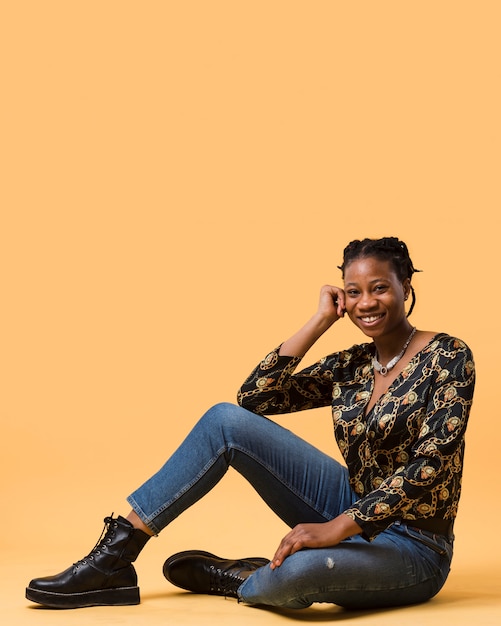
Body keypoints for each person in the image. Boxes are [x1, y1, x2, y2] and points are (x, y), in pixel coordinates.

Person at [26, 236, 475, 611]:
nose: (366, 303)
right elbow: (255, 398)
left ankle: (239, 577)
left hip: (415, 544)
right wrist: (319, 321)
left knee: (296, 577)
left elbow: (430, 465)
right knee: (225, 420)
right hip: (347, 502)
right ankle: (114, 558)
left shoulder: (449, 357)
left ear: (406, 285)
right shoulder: (353, 364)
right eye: (353, 292)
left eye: (379, 288)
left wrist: (336, 528)